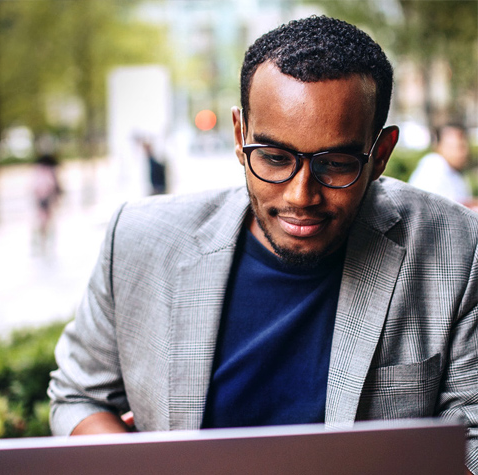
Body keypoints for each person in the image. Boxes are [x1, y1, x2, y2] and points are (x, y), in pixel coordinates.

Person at [48, 16, 478, 474]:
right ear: (240, 136)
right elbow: (78, 395)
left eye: (335, 164)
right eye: (274, 158)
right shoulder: (137, 239)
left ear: (381, 154)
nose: (300, 196)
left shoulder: (456, 247)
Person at [409, 123, 476, 206]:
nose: (463, 153)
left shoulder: (456, 170)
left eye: (464, 146)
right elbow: (438, 206)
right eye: (457, 147)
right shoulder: (433, 165)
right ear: (438, 146)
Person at [32, 151, 62, 255]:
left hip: (40, 199)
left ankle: (42, 241)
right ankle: (45, 241)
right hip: (47, 199)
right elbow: (54, 185)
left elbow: (34, 187)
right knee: (47, 221)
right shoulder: (50, 171)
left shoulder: (38, 170)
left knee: (41, 220)